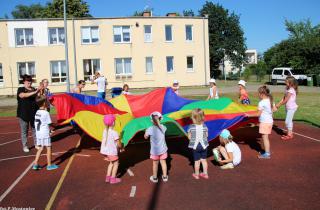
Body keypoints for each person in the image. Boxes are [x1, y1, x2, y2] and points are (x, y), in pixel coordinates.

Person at [17, 74, 43, 152]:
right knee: (24, 131)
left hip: (33, 113)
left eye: (30, 81)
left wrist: (41, 90)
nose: (29, 83)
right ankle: (25, 146)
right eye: (28, 81)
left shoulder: (33, 89)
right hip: (23, 114)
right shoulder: (21, 89)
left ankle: (36, 144)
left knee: (35, 130)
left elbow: (38, 97)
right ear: (24, 82)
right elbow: (23, 95)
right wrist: (35, 91)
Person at [32, 95, 59, 171]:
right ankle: (49, 165)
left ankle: (35, 164)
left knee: (40, 148)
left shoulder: (37, 112)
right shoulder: (45, 113)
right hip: (44, 133)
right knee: (49, 148)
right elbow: (50, 123)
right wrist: (57, 125)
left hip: (38, 133)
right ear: (44, 103)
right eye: (47, 101)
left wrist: (51, 130)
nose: (48, 102)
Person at [247, 85, 274, 159]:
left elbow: (258, 114)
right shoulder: (270, 100)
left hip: (265, 122)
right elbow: (273, 109)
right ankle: (267, 151)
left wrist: (248, 115)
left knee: (265, 138)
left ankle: (267, 154)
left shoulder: (262, 102)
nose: (258, 95)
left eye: (258, 93)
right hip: (269, 121)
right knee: (266, 137)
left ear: (262, 94)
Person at [144, 111, 169, 183]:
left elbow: (145, 137)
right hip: (163, 150)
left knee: (155, 164)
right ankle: (165, 177)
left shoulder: (150, 129)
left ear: (151, 120)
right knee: (163, 163)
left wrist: (146, 132)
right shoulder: (164, 127)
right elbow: (163, 129)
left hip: (155, 152)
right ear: (160, 119)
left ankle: (155, 178)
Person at [100, 114, 123, 184]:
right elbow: (118, 144)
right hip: (112, 152)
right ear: (113, 123)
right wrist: (121, 147)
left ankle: (108, 177)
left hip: (106, 152)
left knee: (111, 163)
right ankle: (113, 179)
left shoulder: (105, 131)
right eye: (114, 121)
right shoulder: (114, 133)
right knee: (116, 164)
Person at [187, 108, 209, 179]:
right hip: (204, 146)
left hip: (196, 147)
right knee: (204, 160)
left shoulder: (191, 127)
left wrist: (192, 138)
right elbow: (206, 135)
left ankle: (196, 174)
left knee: (197, 161)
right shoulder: (205, 126)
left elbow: (189, 137)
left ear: (193, 118)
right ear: (203, 117)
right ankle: (205, 174)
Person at [275, 76, 298, 140]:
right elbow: (284, 98)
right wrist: (278, 104)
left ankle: (289, 134)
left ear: (291, 83)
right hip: (288, 107)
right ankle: (290, 134)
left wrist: (278, 105)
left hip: (291, 108)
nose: (285, 83)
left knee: (287, 121)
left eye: (286, 82)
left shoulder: (291, 90)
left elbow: (286, 100)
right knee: (289, 121)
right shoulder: (287, 89)